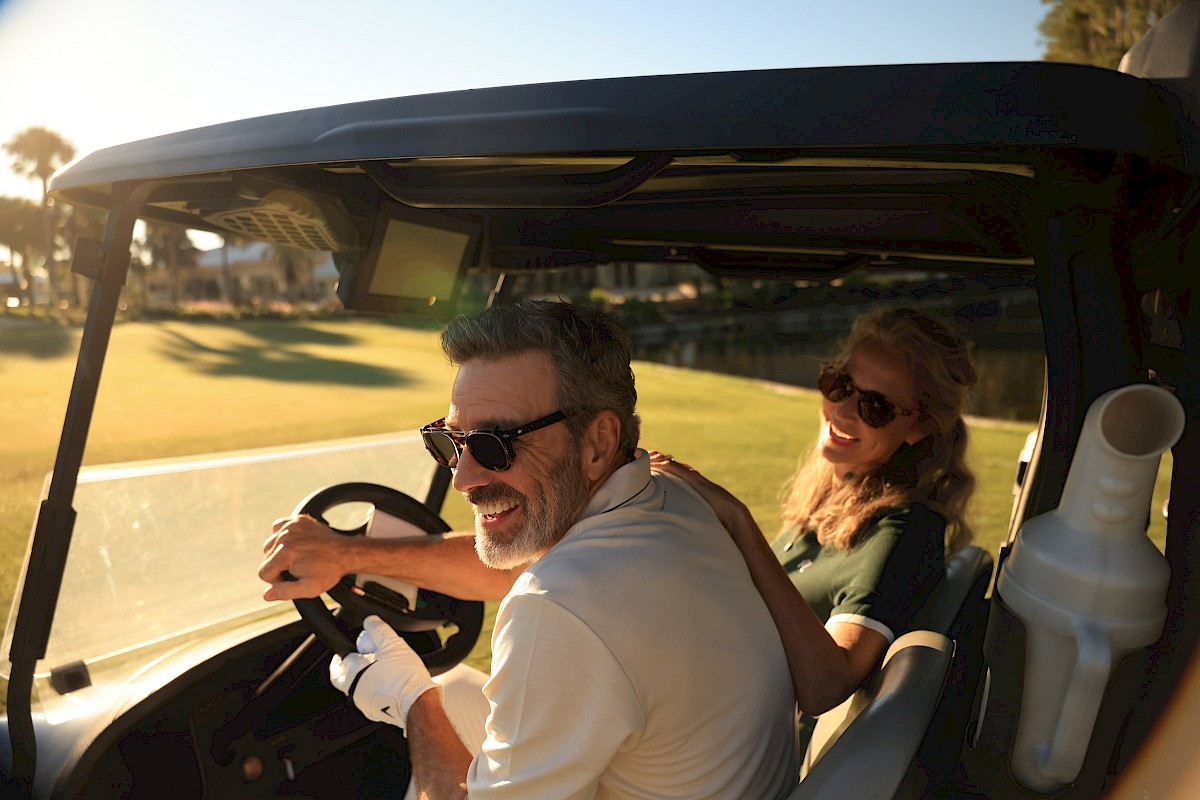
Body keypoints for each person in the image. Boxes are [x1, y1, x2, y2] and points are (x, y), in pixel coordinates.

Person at [259, 299, 797, 800]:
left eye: (496, 444)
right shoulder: (669, 493)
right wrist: (349, 555)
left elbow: (552, 595)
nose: (462, 480)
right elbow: (516, 569)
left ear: (597, 443)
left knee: (437, 701)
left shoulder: (560, 608)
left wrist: (411, 702)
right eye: (450, 443)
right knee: (455, 688)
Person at [653, 306, 977, 717]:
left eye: (875, 407)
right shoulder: (838, 494)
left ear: (920, 428)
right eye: (840, 384)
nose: (842, 412)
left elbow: (827, 685)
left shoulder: (903, 533)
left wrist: (736, 518)